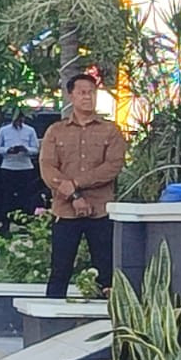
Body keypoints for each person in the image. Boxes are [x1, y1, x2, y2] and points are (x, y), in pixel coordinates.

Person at [39, 74, 127, 300]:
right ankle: (51, 320)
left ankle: (107, 321)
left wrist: (77, 183)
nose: (88, 97)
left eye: (91, 92)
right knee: (60, 269)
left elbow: (112, 167)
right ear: (71, 96)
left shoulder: (111, 131)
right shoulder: (56, 131)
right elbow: (48, 169)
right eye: (82, 92)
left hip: (100, 212)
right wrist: (74, 195)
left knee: (106, 269)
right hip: (65, 212)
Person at [0, 112, 42, 234]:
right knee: (7, 197)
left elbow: (35, 149)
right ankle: (5, 225)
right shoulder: (4, 130)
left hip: (25, 167)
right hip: (8, 167)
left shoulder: (30, 130)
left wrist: (26, 149)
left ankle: (27, 224)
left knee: (27, 197)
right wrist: (8, 150)